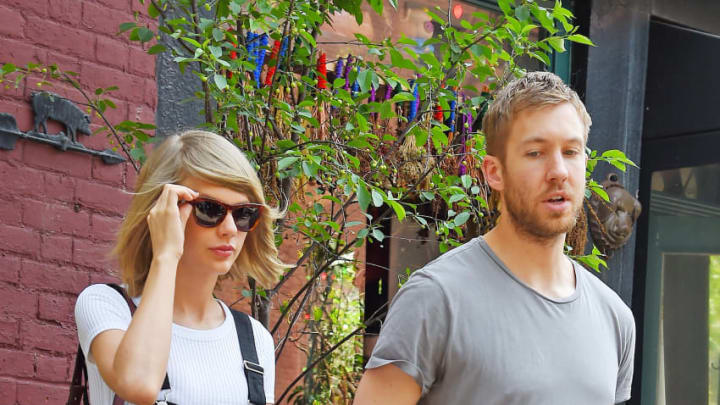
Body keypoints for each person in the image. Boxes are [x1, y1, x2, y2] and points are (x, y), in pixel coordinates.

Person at [353, 72, 636, 405]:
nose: (558, 170)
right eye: (535, 152)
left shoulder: (614, 318)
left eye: (571, 151)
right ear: (494, 172)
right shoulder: (436, 299)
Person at [74, 130, 289, 404]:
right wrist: (165, 254)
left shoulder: (255, 340)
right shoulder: (109, 306)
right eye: (209, 209)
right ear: (163, 212)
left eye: (243, 213)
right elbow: (139, 384)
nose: (230, 229)